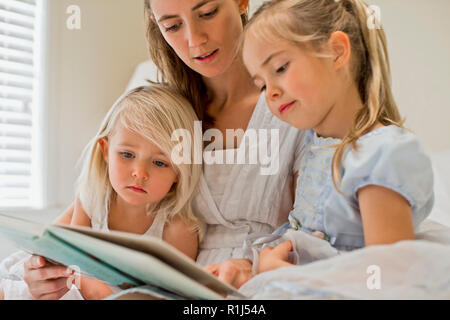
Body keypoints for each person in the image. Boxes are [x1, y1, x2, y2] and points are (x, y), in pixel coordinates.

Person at [16, 0, 305, 297]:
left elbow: (314, 232)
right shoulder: (161, 105)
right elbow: (99, 198)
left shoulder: (293, 103)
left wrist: (254, 265)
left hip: (255, 282)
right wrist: (41, 266)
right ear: (158, 26)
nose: (195, 40)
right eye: (172, 26)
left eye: (207, 13)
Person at [240, 0, 434, 274]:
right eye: (261, 84)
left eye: (281, 68)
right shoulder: (315, 146)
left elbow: (388, 279)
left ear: (336, 52)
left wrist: (286, 277)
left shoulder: (379, 157)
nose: (270, 92)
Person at [0, 84, 203, 299]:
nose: (139, 173)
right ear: (105, 151)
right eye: (127, 154)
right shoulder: (92, 199)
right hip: (76, 284)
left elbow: (175, 295)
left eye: (160, 163)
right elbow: (71, 258)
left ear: (180, 172)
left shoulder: (177, 229)